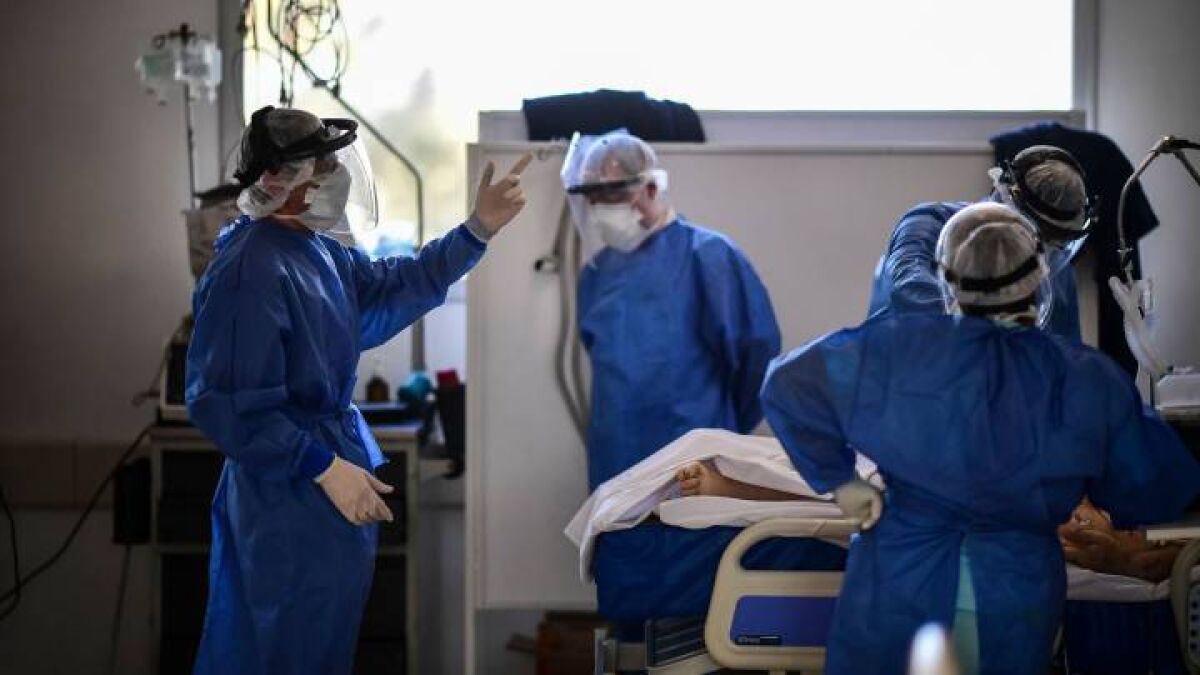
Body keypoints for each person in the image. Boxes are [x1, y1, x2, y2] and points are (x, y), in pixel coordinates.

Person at [759, 203, 1200, 675]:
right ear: (1042, 278)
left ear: (945, 279)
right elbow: (1152, 488)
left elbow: (788, 384)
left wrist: (842, 482)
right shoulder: (1085, 378)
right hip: (1012, 589)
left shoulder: (897, 348)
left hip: (902, 575)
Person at [186, 106, 531, 674]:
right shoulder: (249, 270)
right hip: (283, 498)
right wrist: (319, 466)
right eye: (321, 166)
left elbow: (399, 284)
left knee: (322, 646)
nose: (335, 175)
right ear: (277, 180)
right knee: (277, 651)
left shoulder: (319, 253)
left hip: (321, 483)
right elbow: (228, 403)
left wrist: (475, 230)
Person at [563, 131, 781, 490]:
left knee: (695, 525)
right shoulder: (596, 276)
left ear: (650, 188)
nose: (602, 208)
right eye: (594, 198)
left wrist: (722, 435)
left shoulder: (708, 256)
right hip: (616, 463)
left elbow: (756, 360)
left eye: (613, 195)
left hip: (695, 462)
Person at [867, 145, 1093, 341]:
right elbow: (910, 290)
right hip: (912, 361)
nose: (1038, 249)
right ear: (1004, 202)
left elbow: (1063, 354)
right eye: (1033, 234)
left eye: (1052, 242)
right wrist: (980, 333)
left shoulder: (1055, 268)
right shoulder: (928, 223)